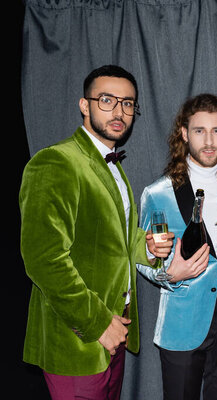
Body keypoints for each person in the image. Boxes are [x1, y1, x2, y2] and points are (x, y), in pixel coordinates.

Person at [19, 65, 169, 399]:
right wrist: (99, 323)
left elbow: (119, 237)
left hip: (116, 333)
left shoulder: (112, 166)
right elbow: (43, 259)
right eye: (107, 100)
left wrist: (146, 247)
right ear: (84, 106)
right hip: (79, 338)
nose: (119, 111)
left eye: (128, 103)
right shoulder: (56, 162)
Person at [136, 93, 217, 400]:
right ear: (184, 134)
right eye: (199, 131)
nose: (209, 140)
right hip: (182, 317)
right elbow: (142, 257)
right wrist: (167, 271)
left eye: (216, 130)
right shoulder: (158, 193)